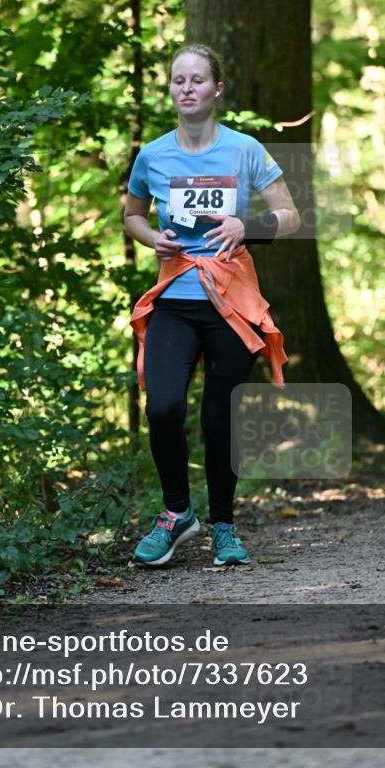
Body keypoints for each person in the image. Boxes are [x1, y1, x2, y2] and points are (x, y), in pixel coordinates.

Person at [124, 43, 300, 568]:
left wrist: (248, 225)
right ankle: (177, 513)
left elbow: (289, 215)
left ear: (217, 89)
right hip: (175, 300)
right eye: (179, 80)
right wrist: (151, 237)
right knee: (163, 406)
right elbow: (131, 215)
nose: (187, 88)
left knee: (219, 417)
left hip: (231, 302)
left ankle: (223, 524)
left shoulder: (244, 149)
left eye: (197, 80)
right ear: (171, 89)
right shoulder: (153, 155)